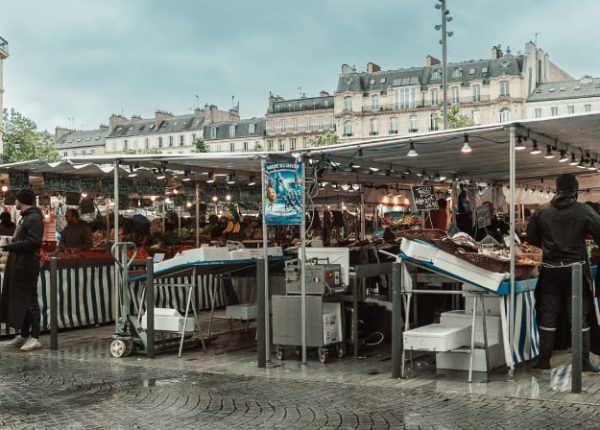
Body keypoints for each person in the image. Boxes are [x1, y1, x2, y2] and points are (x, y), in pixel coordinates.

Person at [527, 174, 600, 371]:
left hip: (550, 270)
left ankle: (544, 360)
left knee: (548, 315)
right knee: (578, 316)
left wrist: (549, 246)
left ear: (557, 190)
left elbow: (531, 237)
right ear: (575, 191)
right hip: (575, 270)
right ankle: (582, 362)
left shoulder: (541, 212)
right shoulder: (584, 211)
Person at [0, 189, 44, 351]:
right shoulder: (26, 217)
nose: (15, 202)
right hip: (20, 265)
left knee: (31, 301)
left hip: (27, 266)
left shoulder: (33, 218)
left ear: (21, 200)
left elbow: (33, 242)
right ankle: (23, 335)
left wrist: (10, 246)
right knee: (22, 301)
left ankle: (35, 337)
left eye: (16, 199)